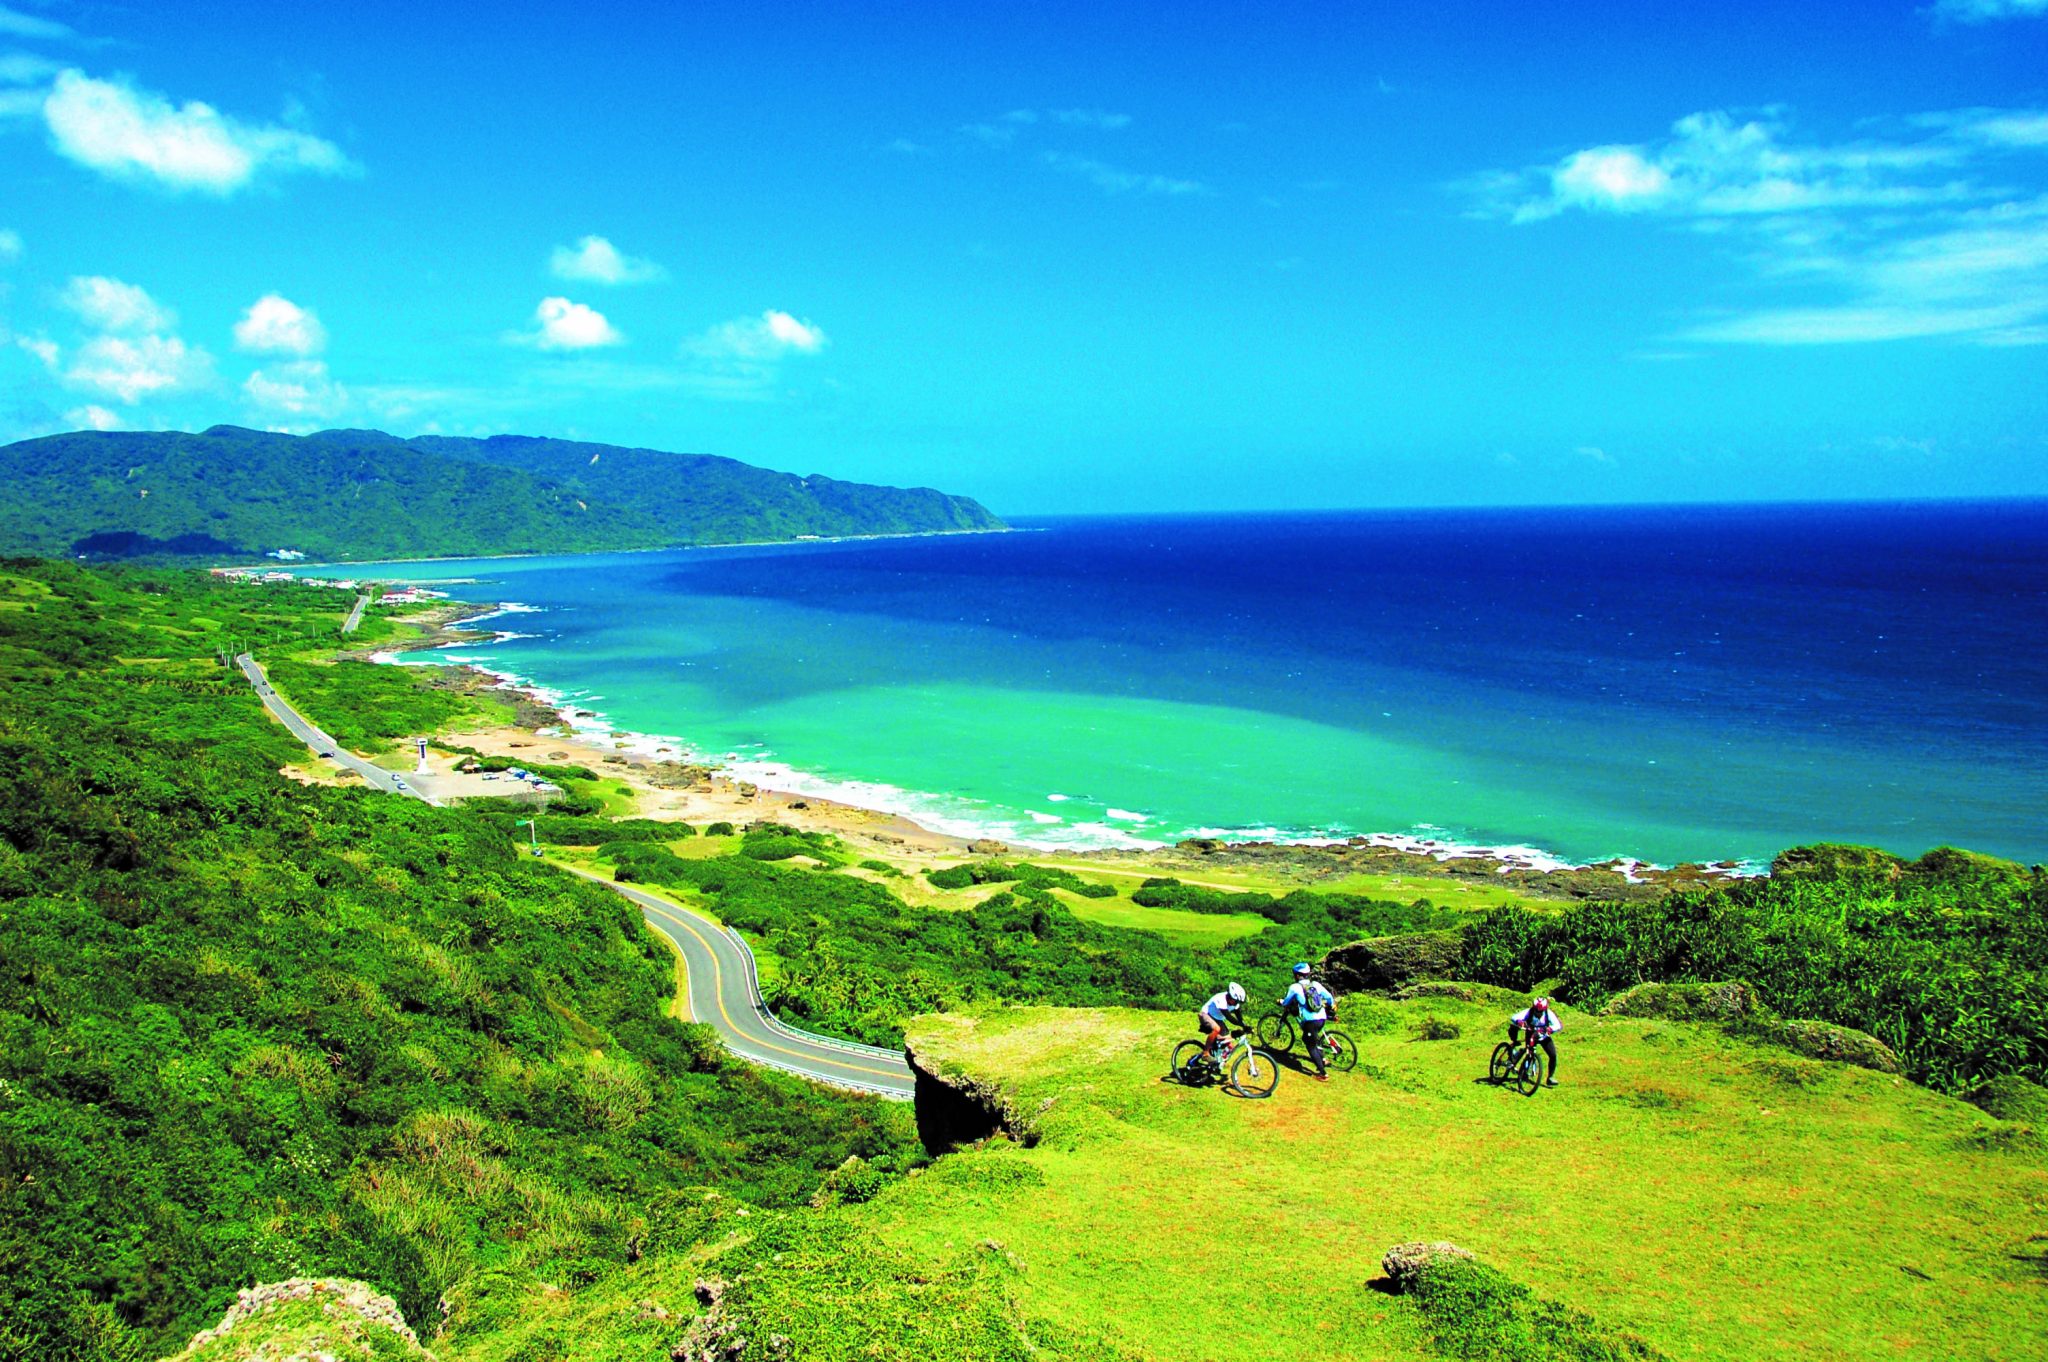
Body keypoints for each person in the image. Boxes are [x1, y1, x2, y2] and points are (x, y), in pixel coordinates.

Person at [1282, 962, 1338, 1081]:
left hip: (1310, 1021)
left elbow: (1286, 1002)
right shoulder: (1315, 984)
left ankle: (1323, 1073)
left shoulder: (1295, 987)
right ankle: (1322, 1058)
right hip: (1322, 1018)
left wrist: (1280, 1001)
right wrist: (1332, 1005)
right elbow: (1328, 996)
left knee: (1310, 1045)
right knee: (1309, 1038)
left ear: (1297, 975)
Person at [1508, 997, 1562, 1086]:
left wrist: (1550, 1029)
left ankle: (1550, 1077)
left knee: (1553, 1055)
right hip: (1531, 1034)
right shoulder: (1528, 1012)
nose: (1538, 1013)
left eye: (1541, 1012)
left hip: (1543, 1037)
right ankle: (1523, 1070)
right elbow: (1514, 1017)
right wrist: (1519, 1021)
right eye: (1536, 1011)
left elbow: (1557, 1025)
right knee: (1529, 1052)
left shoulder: (1549, 1014)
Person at [1199, 982, 1248, 1058]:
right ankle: (1205, 1052)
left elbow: (1239, 1016)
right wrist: (1241, 1024)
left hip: (1217, 1019)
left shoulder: (1235, 1003)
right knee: (1216, 1029)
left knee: (1228, 1043)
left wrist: (1244, 1025)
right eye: (1236, 1001)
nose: (1236, 1004)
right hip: (1205, 1014)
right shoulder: (1221, 999)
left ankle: (1216, 1062)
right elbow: (1229, 1017)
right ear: (1230, 997)